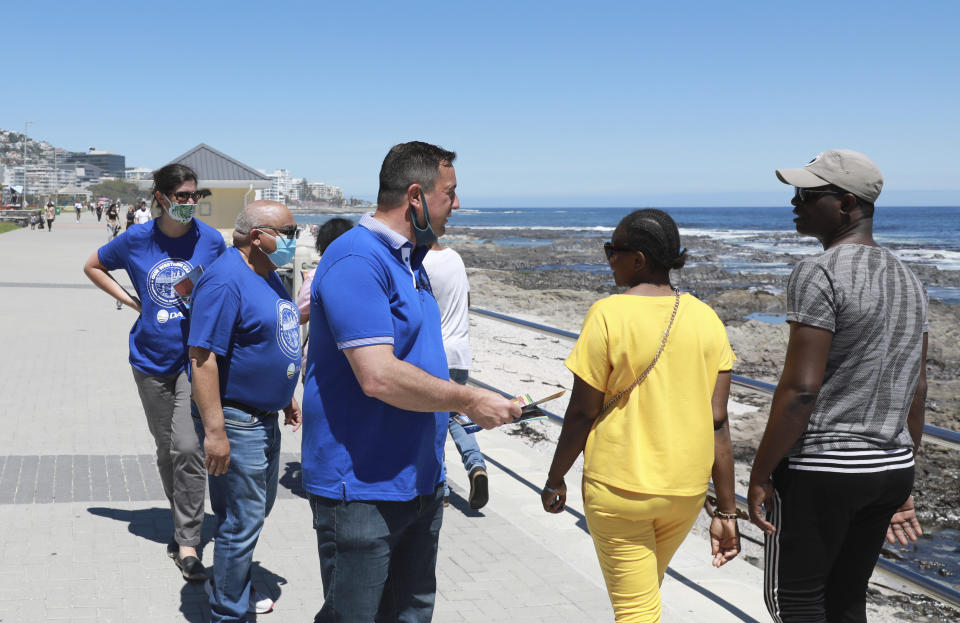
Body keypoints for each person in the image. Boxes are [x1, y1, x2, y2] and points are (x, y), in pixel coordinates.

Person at [301, 141, 521, 622]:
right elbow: (378, 376)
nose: (457, 206)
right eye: (450, 194)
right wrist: (470, 398)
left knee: (411, 614)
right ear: (417, 196)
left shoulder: (410, 261)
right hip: (361, 489)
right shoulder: (357, 259)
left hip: (418, 483)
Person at [748, 150, 928, 623]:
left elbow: (801, 390)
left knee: (795, 600)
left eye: (808, 194)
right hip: (891, 468)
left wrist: (761, 472)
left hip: (826, 468)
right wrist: (904, 470)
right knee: (847, 598)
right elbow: (917, 388)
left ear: (846, 203)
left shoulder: (820, 271)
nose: (795, 202)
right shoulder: (911, 278)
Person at [541, 209, 741, 622]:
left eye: (613, 249)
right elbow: (718, 423)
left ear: (639, 260)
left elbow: (581, 412)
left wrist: (555, 477)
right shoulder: (707, 319)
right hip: (684, 492)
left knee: (636, 610)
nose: (608, 258)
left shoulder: (608, 313)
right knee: (644, 596)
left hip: (620, 488)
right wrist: (726, 510)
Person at [83, 163, 226, 583]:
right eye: (181, 196)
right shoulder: (136, 239)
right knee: (167, 451)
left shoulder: (211, 241)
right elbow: (92, 265)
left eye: (194, 196)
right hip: (148, 359)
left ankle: (187, 543)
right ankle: (183, 520)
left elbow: (226, 287)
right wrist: (130, 300)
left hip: (194, 360)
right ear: (161, 197)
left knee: (186, 447)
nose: (189, 203)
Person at [189, 200, 303, 621]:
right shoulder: (225, 280)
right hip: (237, 421)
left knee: (245, 514)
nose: (295, 239)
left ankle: (229, 581)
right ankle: (229, 612)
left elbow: (266, 337)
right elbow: (202, 358)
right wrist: (215, 432)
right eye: (288, 232)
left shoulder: (268, 273)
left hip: (264, 414)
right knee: (244, 519)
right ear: (258, 237)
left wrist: (284, 392)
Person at [422, 241, 489, 509]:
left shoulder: (421, 263)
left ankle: (443, 488)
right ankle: (476, 466)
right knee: (455, 415)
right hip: (461, 353)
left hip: (436, 353)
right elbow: (467, 301)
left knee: (433, 420)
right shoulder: (455, 258)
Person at [295, 217, 353, 372]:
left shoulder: (316, 276)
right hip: (355, 356)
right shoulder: (362, 274)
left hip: (320, 359)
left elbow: (300, 316)